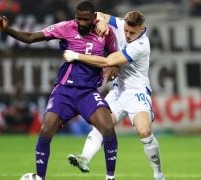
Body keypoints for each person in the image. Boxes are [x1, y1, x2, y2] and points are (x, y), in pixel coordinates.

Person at [0, 1, 118, 180]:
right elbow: (31, 37)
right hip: (65, 91)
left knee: (107, 127)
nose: (81, 23)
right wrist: (7, 30)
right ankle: (40, 177)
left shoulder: (105, 32)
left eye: (85, 19)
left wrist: (115, 67)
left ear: (93, 18)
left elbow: (114, 55)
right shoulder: (65, 27)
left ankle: (110, 177)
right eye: (78, 18)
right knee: (46, 129)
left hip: (88, 92)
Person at [63, 11, 165, 180]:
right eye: (126, 30)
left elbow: (109, 61)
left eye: (132, 32)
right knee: (103, 125)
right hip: (117, 91)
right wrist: (102, 20)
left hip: (137, 92)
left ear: (142, 29)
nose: (127, 35)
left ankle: (158, 174)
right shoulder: (119, 23)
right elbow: (95, 13)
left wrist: (77, 56)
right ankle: (84, 158)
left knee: (144, 130)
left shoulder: (141, 46)